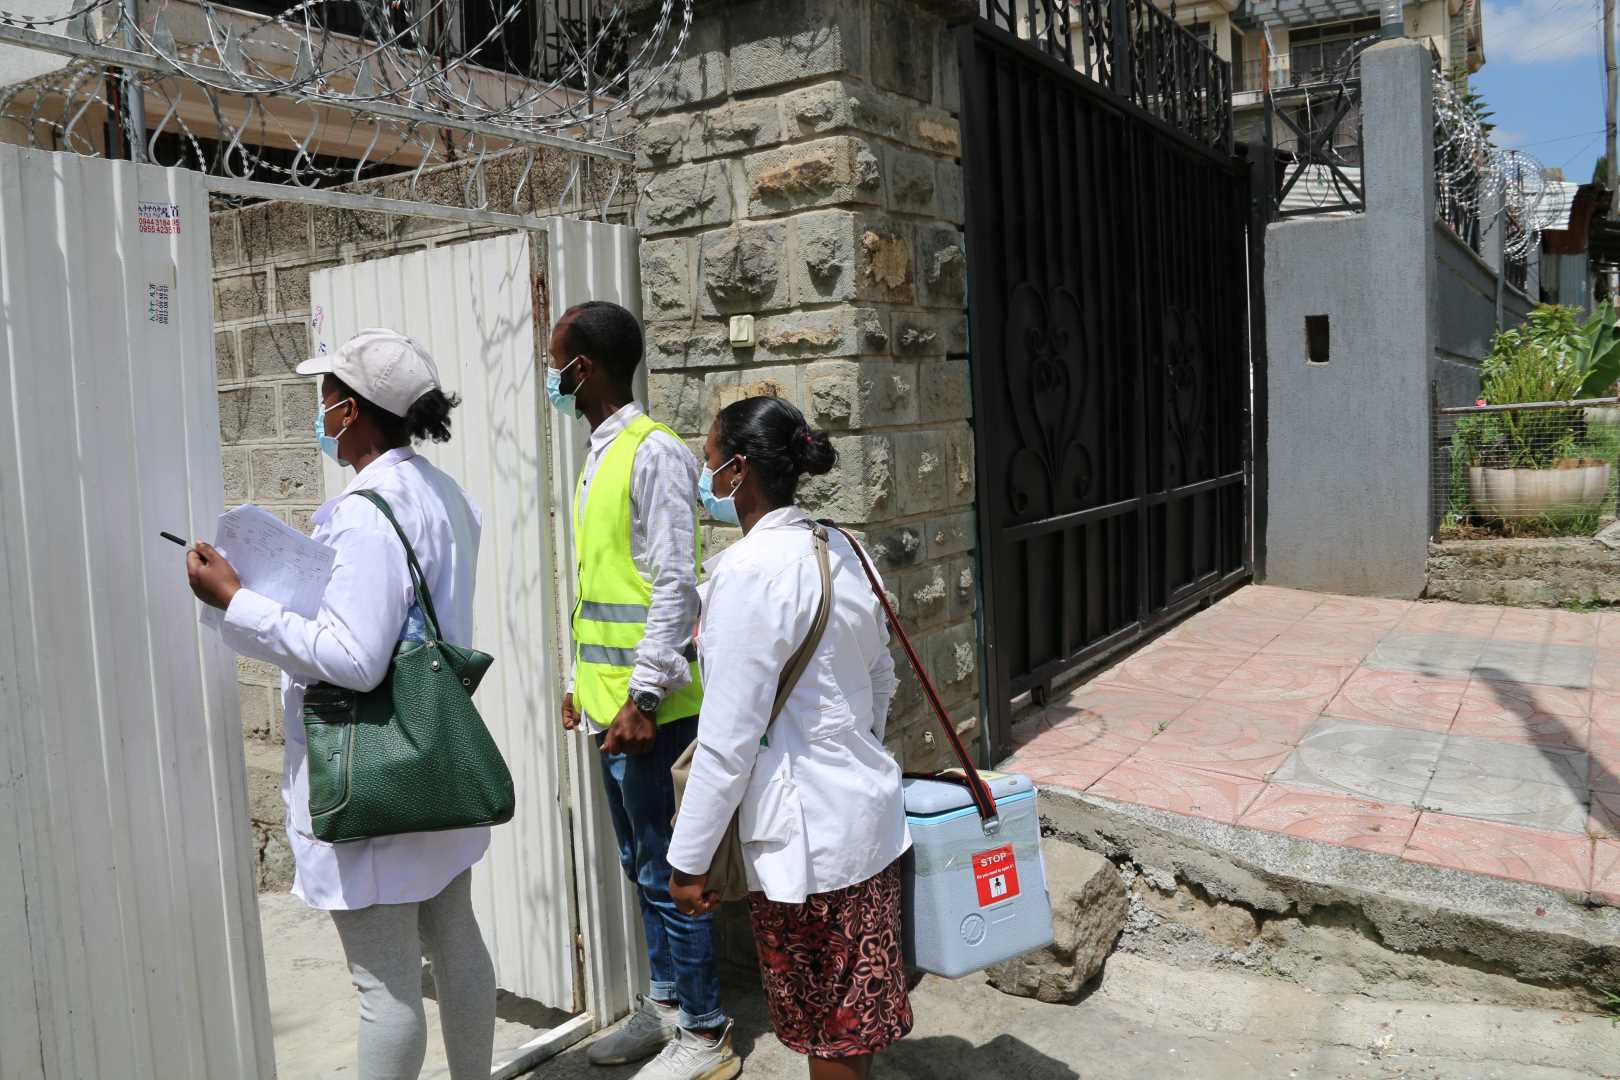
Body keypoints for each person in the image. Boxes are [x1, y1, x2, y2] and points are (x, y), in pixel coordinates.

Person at [185, 329, 496, 1080]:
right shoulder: (442, 492)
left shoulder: (366, 512)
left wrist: (238, 602)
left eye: (324, 396)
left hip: (373, 772)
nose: (319, 411)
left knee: (383, 989)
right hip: (434, 755)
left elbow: (355, 660)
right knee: (456, 941)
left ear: (351, 410)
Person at [667, 396, 914, 1080]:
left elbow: (726, 741)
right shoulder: (846, 546)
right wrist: (849, 754)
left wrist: (688, 862)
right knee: (851, 1023)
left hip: (807, 849)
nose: (704, 475)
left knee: (826, 1030)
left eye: (709, 461)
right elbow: (882, 678)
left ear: (738, 471)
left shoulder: (747, 575)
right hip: (863, 819)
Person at [548, 300, 736, 1080]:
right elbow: (603, 587)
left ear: (582, 367)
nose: (549, 373)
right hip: (609, 703)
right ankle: (664, 1011)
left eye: (554, 357)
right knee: (641, 862)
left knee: (669, 868)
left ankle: (707, 1032)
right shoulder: (599, 451)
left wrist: (644, 698)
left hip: (647, 712)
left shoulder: (652, 451)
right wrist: (578, 683)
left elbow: (673, 587)